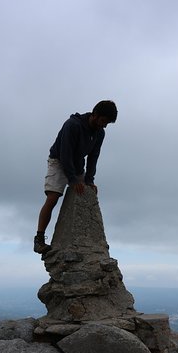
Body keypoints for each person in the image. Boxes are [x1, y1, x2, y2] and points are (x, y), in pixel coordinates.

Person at [34, 100, 118, 254]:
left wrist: (89, 180)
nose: (104, 126)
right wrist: (72, 180)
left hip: (78, 164)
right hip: (59, 161)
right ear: (95, 115)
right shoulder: (72, 125)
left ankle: (83, 241)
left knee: (84, 193)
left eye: (107, 124)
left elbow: (93, 156)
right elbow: (65, 153)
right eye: (103, 121)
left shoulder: (100, 133)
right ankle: (39, 239)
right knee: (53, 198)